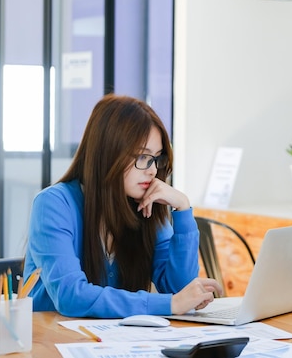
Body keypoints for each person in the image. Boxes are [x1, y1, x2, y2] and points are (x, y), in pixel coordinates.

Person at [23, 94, 222, 318]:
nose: (153, 170)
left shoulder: (145, 205)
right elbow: (71, 296)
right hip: (52, 343)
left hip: (111, 343)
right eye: (142, 157)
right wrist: (170, 304)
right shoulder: (53, 205)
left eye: (156, 158)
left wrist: (183, 210)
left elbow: (179, 292)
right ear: (108, 154)